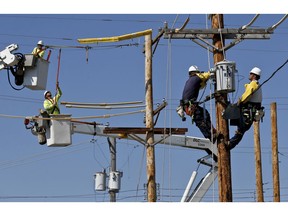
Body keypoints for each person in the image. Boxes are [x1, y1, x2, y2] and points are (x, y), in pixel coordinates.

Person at [177, 65, 217, 143]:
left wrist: (206, 80)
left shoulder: (190, 80)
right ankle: (210, 136)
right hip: (190, 105)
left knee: (205, 114)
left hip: (188, 105)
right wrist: (212, 72)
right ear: (196, 72)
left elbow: (201, 86)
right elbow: (204, 76)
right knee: (199, 119)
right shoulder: (196, 77)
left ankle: (212, 131)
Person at [228, 67, 263, 150]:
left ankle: (230, 144)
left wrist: (239, 102)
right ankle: (231, 144)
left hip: (248, 112)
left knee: (240, 130)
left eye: (251, 73)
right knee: (241, 130)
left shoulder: (253, 84)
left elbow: (246, 95)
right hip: (251, 112)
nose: (249, 75)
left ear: (254, 75)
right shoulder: (257, 85)